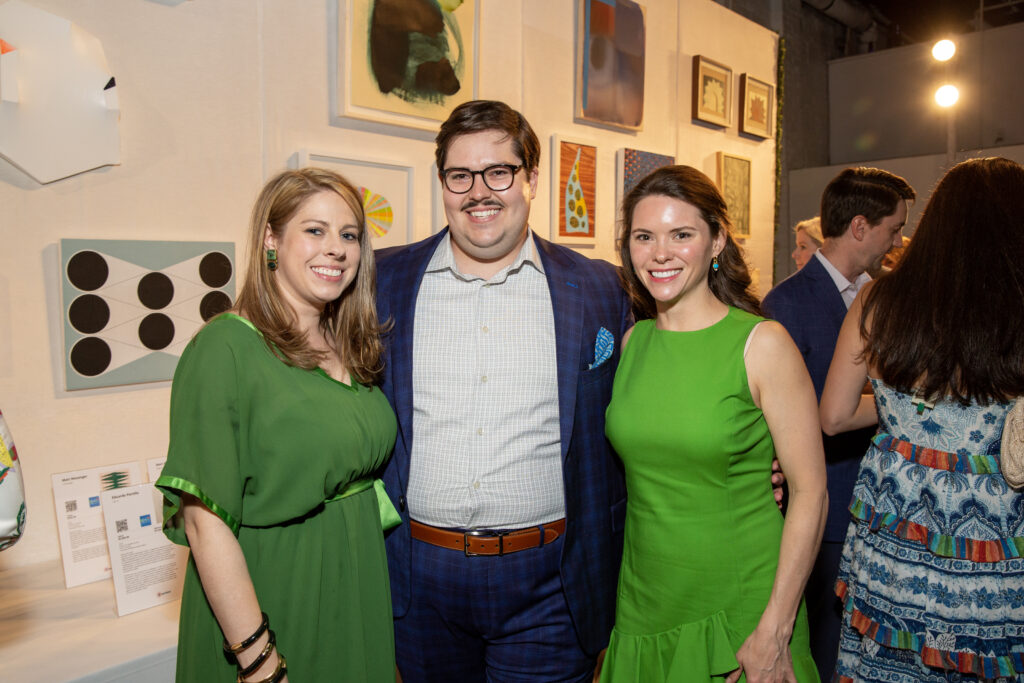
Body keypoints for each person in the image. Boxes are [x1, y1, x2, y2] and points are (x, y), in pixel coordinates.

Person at [375, 100, 633, 682]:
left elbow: (653, 388)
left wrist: (747, 452)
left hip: (552, 583)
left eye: (499, 172)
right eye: (460, 175)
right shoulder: (383, 281)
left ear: (531, 178)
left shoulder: (599, 287)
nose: (479, 192)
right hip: (420, 583)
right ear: (442, 182)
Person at [156, 168, 398, 682]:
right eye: (315, 230)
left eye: (348, 235)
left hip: (354, 593)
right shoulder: (225, 349)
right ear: (271, 239)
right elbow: (204, 521)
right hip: (275, 596)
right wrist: (260, 660)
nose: (335, 248)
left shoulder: (349, 346)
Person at [599, 165, 826, 682]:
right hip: (644, 599)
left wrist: (775, 628)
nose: (660, 253)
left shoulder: (762, 344)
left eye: (681, 234)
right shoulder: (634, 343)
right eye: (644, 236)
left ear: (717, 239)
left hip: (741, 605)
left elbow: (811, 492)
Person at [820, 157, 1024, 683]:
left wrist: (900, 414)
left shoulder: (877, 299)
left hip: (900, 527)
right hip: (994, 532)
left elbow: (835, 415)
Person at [761, 166, 915, 682]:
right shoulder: (786, 303)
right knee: (827, 645)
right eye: (892, 230)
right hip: (827, 505)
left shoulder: (891, 297)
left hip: (889, 504)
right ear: (859, 227)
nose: (896, 243)